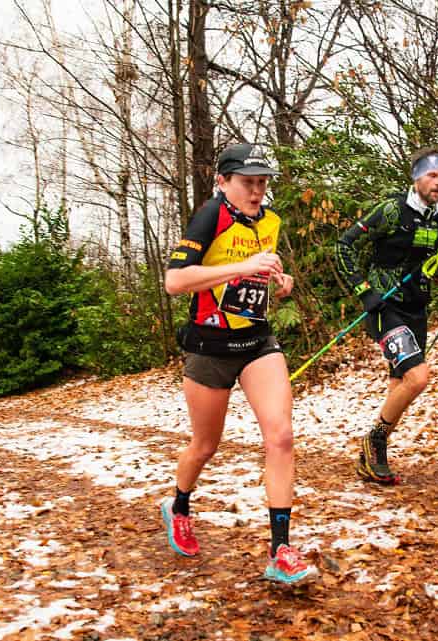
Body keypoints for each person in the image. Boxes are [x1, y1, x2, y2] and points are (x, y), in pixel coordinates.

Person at [160, 143, 318, 585]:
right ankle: (179, 505)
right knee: (205, 446)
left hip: (255, 342)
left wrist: (278, 282)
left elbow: (263, 276)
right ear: (223, 182)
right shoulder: (210, 216)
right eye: (248, 183)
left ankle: (281, 550)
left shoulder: (269, 221)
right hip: (209, 345)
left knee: (281, 436)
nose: (256, 192)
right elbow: (175, 281)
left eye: (263, 183)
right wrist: (241, 267)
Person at [335, 147, 438, 484]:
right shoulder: (392, 210)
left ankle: (370, 456)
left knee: (401, 386)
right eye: (432, 176)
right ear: (417, 177)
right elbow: (344, 245)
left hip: (416, 308)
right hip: (384, 307)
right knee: (418, 377)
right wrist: (364, 290)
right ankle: (374, 441)